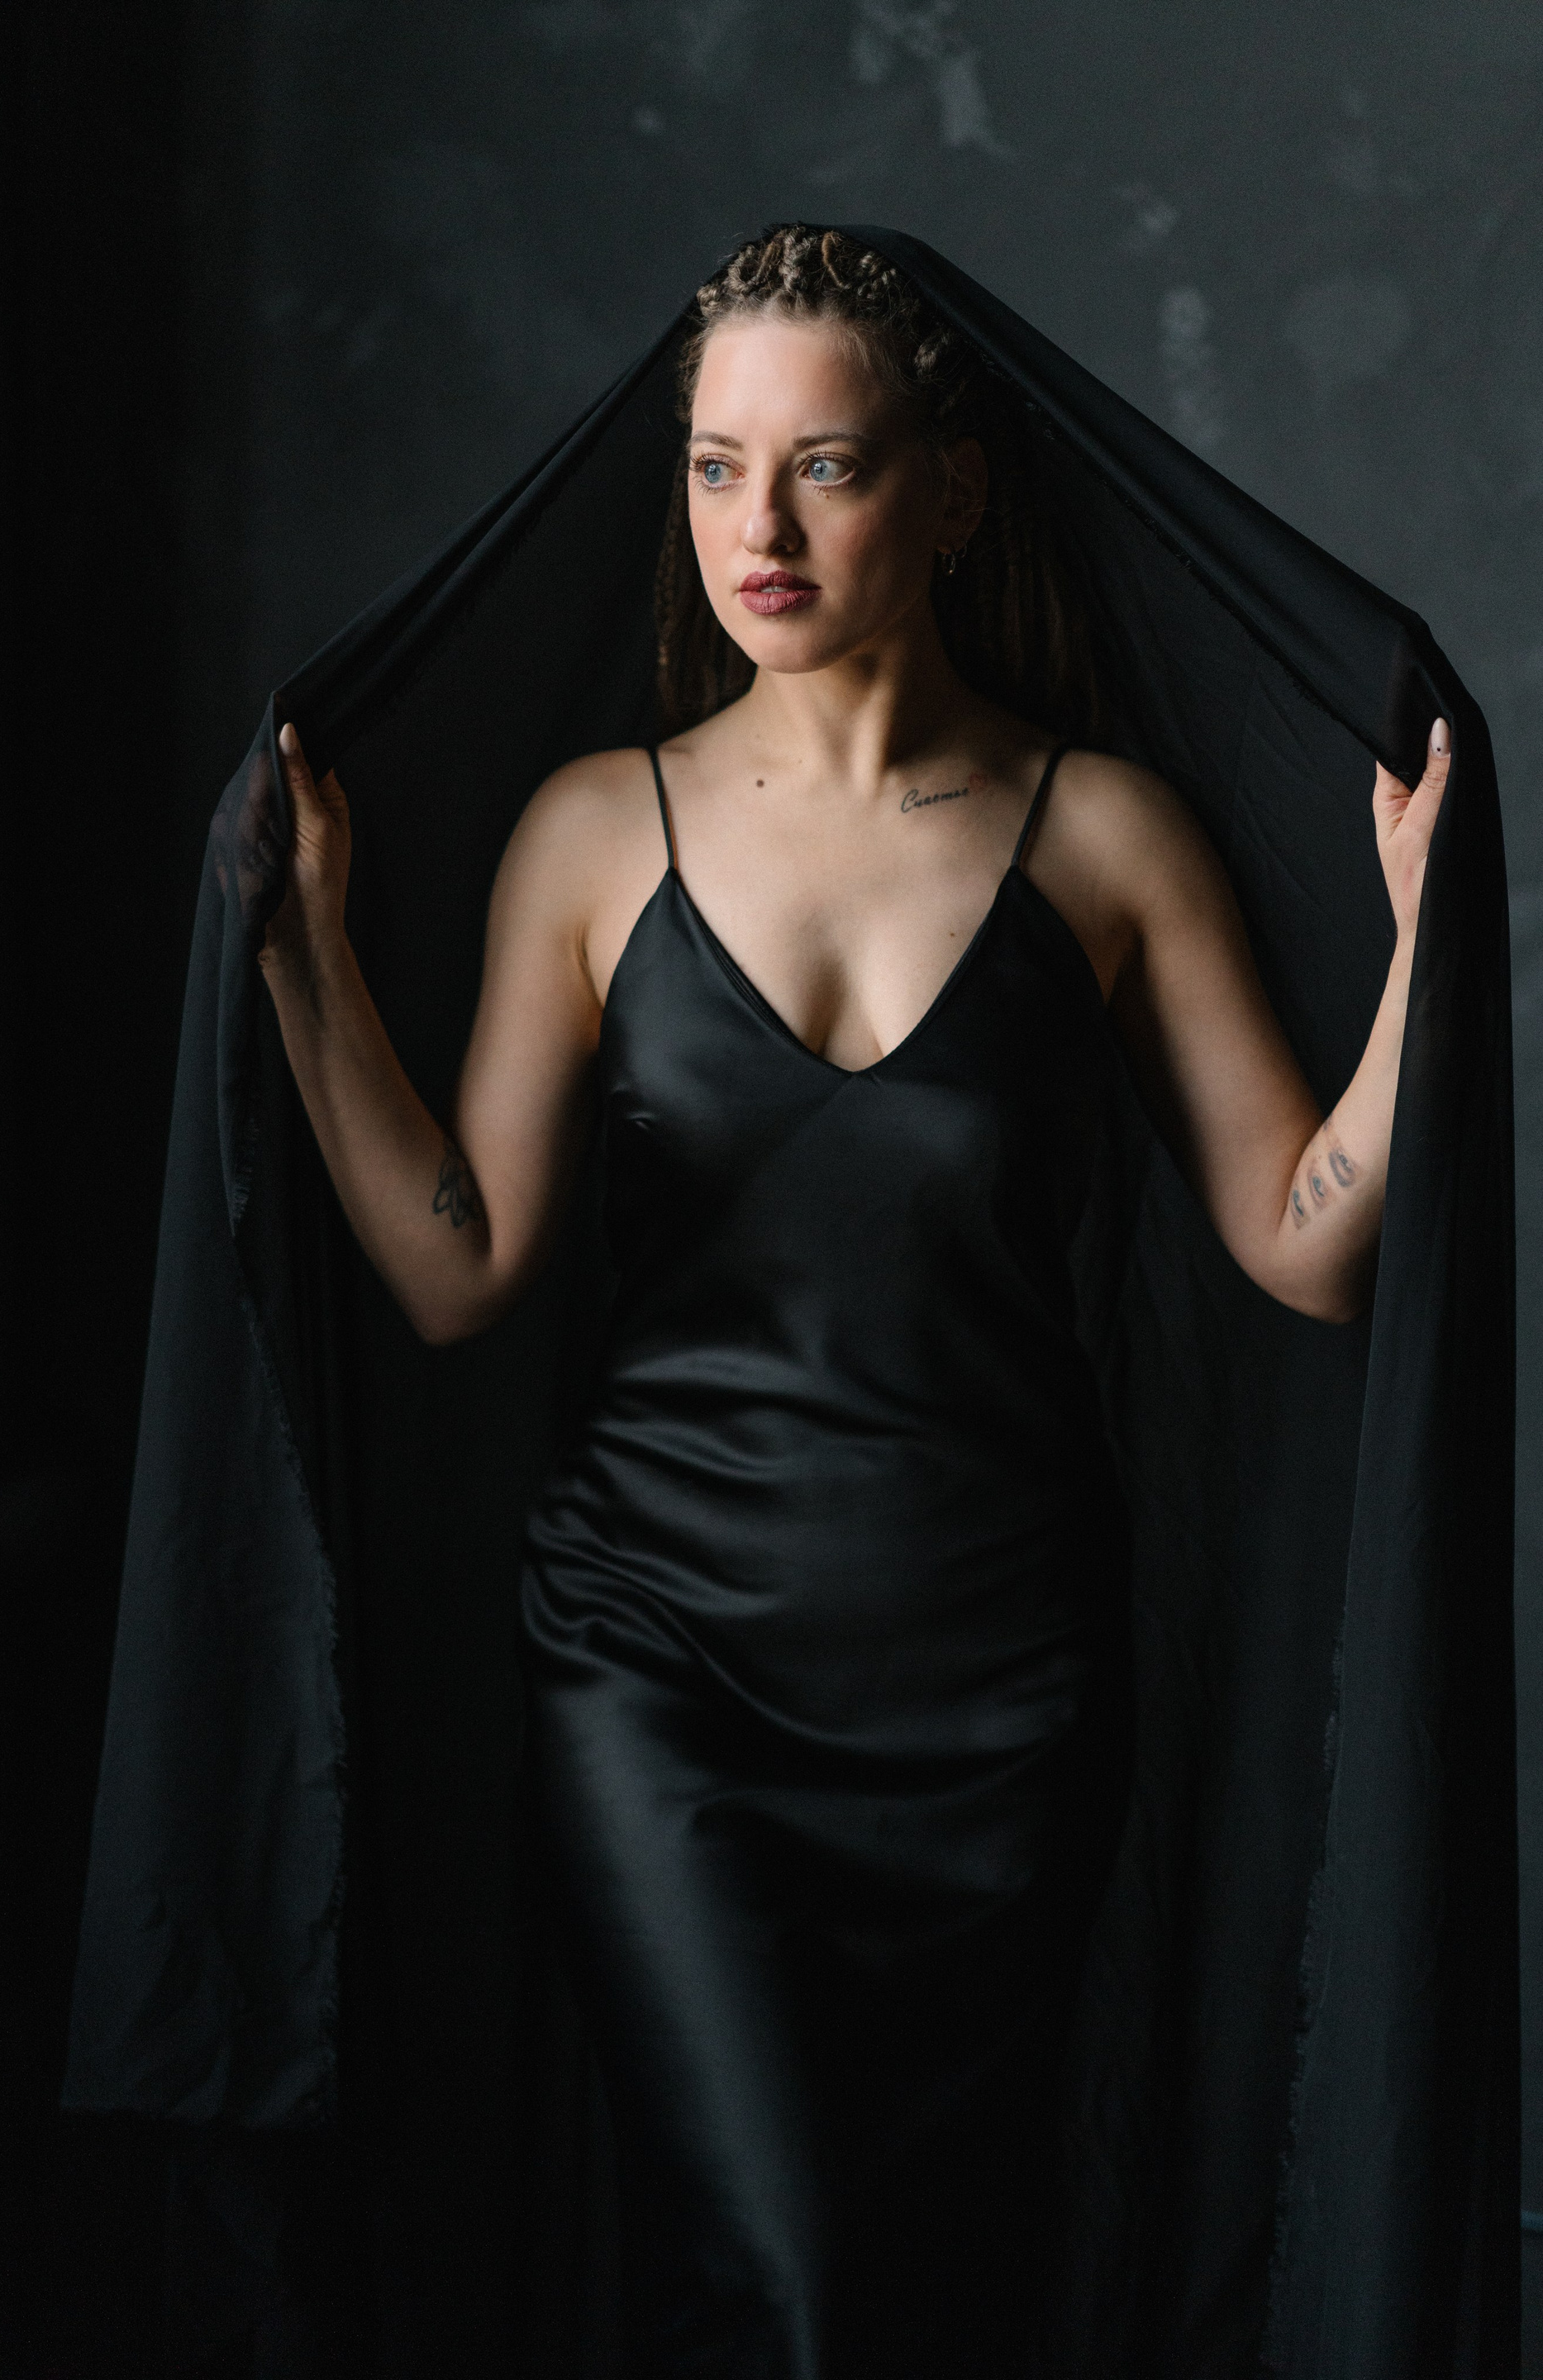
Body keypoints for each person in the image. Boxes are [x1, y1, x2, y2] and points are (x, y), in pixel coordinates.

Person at [251, 228, 1448, 2376]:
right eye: (716, 470)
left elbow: (1306, 1235)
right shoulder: (593, 835)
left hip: (1004, 1700)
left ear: (953, 492)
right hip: (657, 1666)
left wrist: (1432, 953)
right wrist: (304, 957)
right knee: (783, 2279)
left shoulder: (1106, 839)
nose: (762, 533)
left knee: (927, 2292)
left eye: (824, 466)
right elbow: (457, 1269)